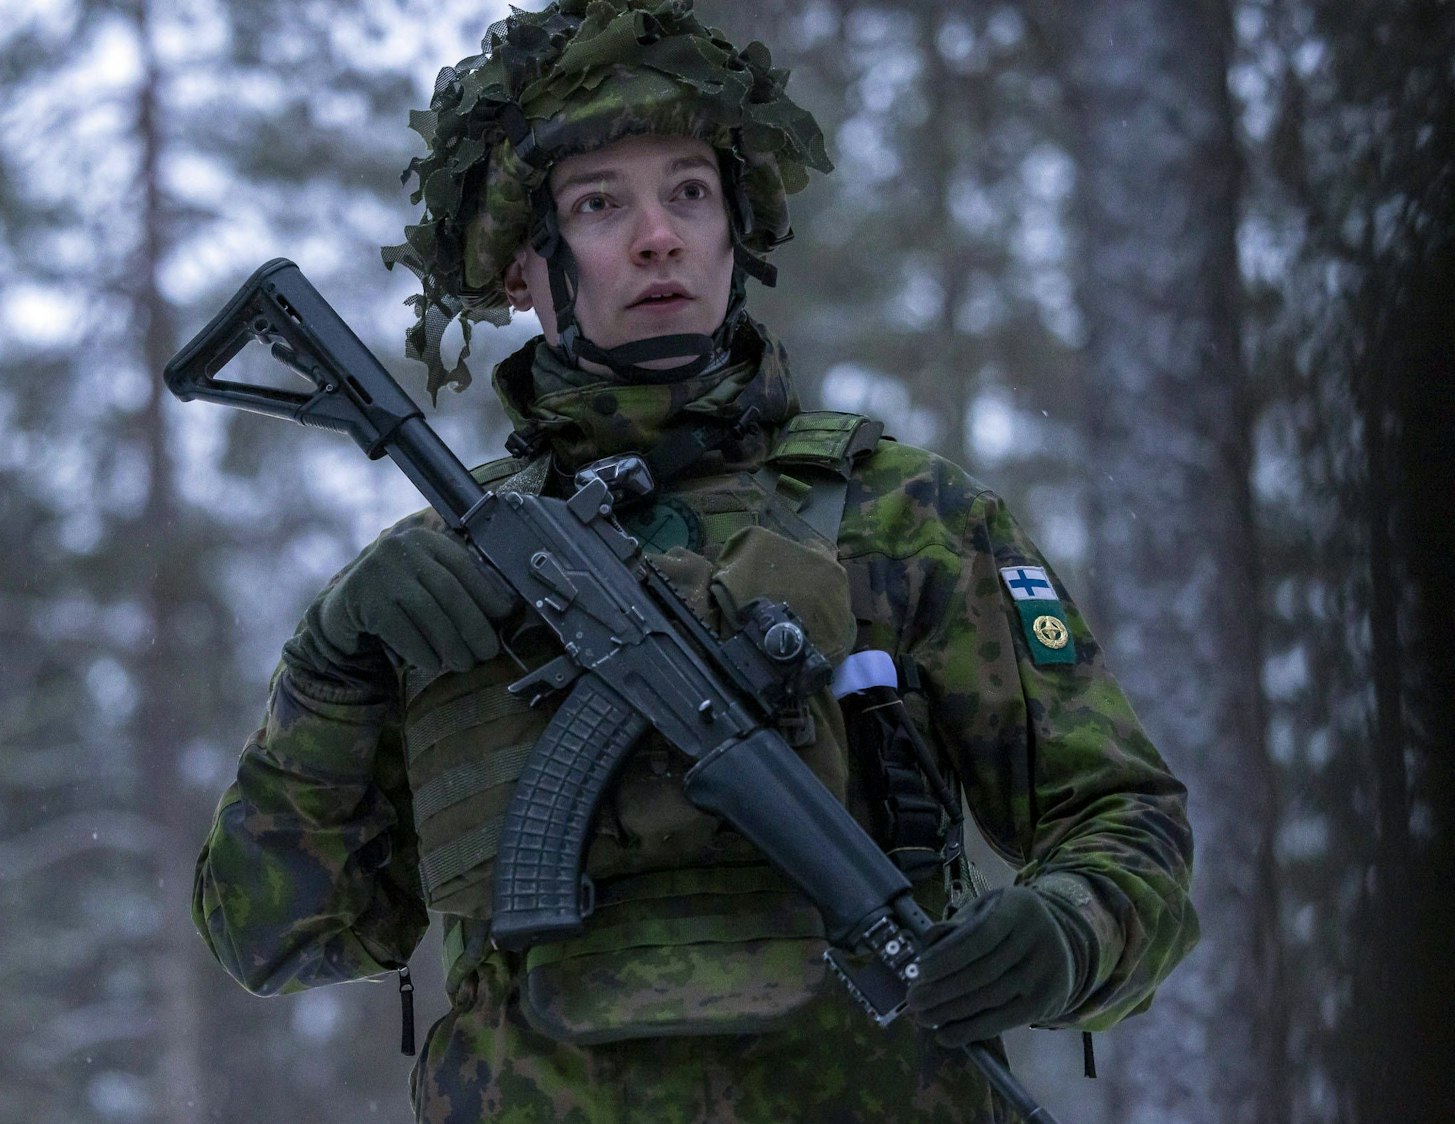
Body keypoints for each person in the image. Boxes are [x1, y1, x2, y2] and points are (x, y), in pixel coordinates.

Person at [191, 2, 1198, 1120]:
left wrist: (1068, 930)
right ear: (520, 267)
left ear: (734, 233)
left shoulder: (902, 516)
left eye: (688, 192)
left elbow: (1121, 819)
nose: (657, 236)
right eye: (598, 204)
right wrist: (328, 669)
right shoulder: (436, 577)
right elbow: (271, 934)